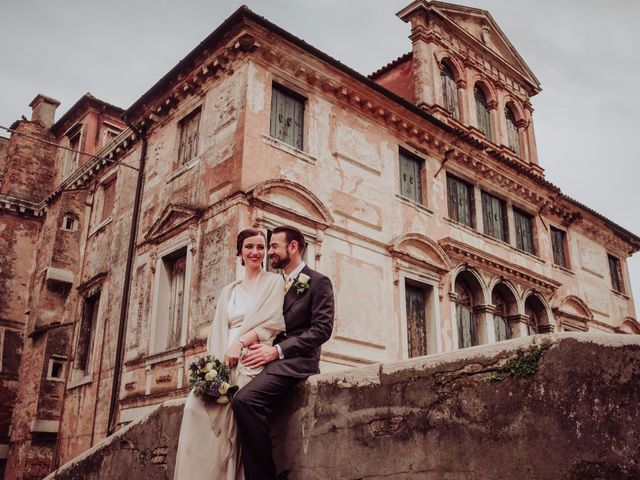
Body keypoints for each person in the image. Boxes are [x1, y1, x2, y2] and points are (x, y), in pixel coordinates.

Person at [173, 229, 286, 480]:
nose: (255, 252)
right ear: (240, 253)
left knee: (236, 419)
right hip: (224, 359)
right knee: (195, 409)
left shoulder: (274, 282)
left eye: (260, 247)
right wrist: (214, 367)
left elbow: (272, 323)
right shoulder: (229, 290)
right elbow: (217, 330)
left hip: (250, 358)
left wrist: (241, 343)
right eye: (249, 247)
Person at [233, 225, 335, 480]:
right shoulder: (276, 283)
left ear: (293, 247)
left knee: (245, 401)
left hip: (297, 362)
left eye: (274, 246)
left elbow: (321, 330)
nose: (269, 253)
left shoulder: (318, 282)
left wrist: (277, 350)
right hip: (268, 358)